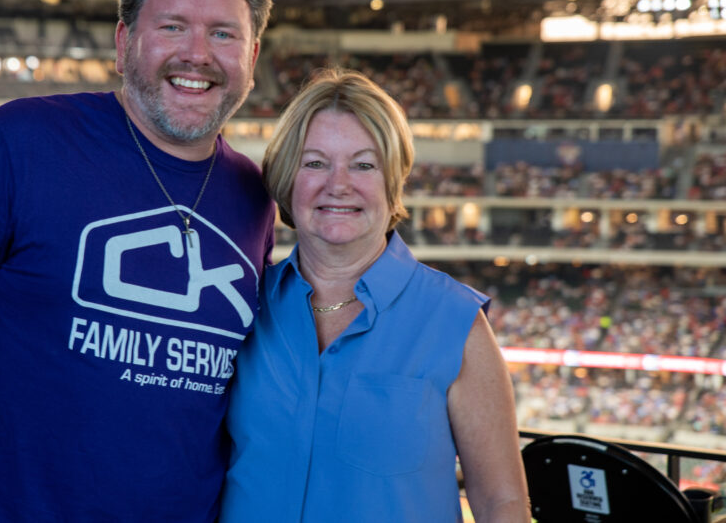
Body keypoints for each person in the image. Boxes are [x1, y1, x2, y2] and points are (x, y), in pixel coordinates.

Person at [0, 0, 276, 523]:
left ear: (249, 56)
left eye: (223, 33)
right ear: (124, 43)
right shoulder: (21, 141)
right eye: (172, 26)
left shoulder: (254, 195)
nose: (197, 54)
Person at [220, 68, 530, 522]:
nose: (338, 184)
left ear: (393, 180)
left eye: (364, 164)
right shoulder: (244, 304)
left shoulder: (455, 321)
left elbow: (501, 502)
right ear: (287, 179)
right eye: (315, 162)